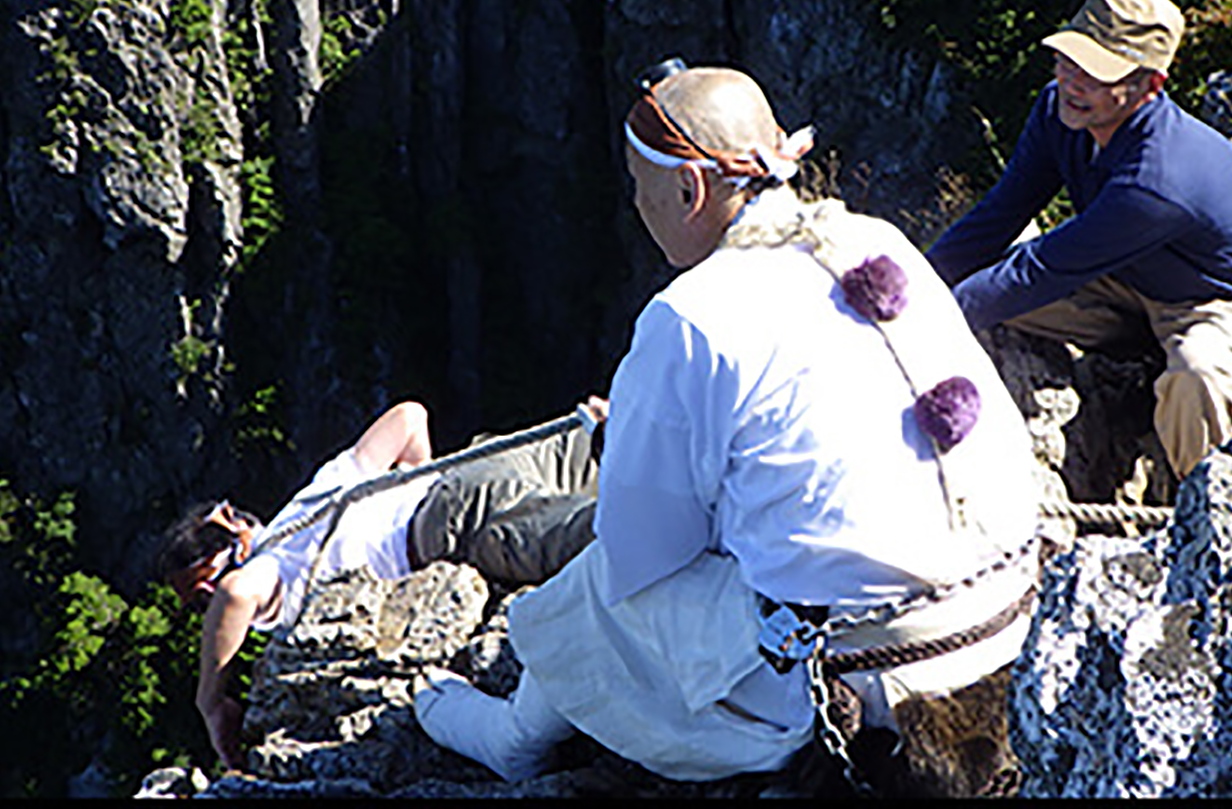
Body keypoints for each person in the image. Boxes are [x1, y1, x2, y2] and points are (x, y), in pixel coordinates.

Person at [411, 60, 1046, 795]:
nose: (636, 204)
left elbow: (640, 553)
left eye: (639, 185)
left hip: (859, 681)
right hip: (1009, 626)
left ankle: (516, 736)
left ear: (689, 188)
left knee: (595, 588)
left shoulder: (690, 316)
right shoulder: (878, 239)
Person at [925, 0, 1232, 483]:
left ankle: (1199, 508)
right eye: (1067, 60)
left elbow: (1043, 268)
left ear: (1151, 85)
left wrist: (924, 325)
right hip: (1125, 280)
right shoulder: (1058, 110)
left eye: (1098, 75)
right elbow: (1001, 213)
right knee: (982, 287)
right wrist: (911, 285)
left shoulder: (1160, 178)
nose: (1073, 82)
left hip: (1222, 302)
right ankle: (1138, 354)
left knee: (1196, 372)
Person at [156, 396, 605, 770]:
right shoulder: (312, 495)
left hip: (458, 522)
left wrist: (211, 704)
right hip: (479, 465)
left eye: (201, 595)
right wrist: (419, 484)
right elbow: (409, 418)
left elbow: (236, 594)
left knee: (613, 538)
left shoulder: (273, 569)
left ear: (217, 568)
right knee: (632, 434)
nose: (208, 606)